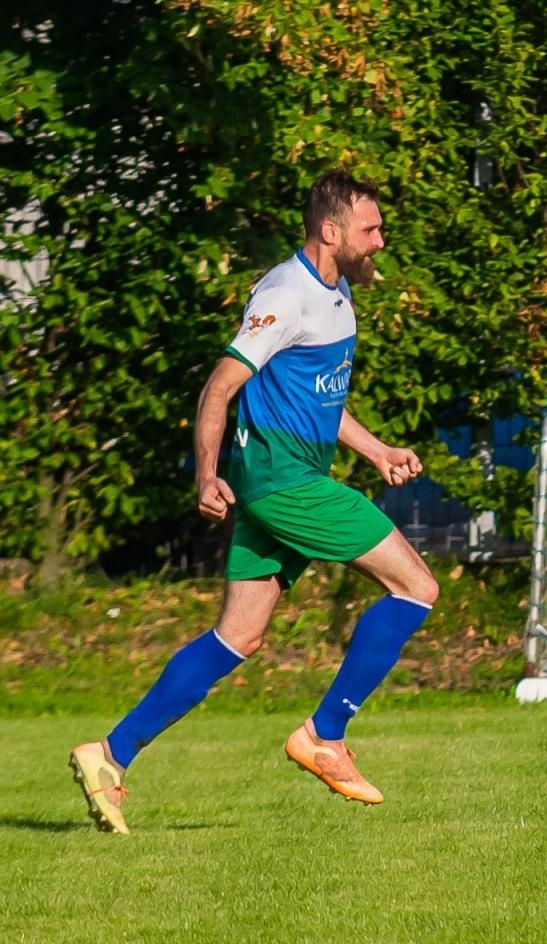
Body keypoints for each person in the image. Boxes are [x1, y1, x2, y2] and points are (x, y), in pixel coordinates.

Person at [69, 168, 439, 834]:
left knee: (238, 637)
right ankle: (325, 734)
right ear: (332, 232)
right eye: (371, 229)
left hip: (289, 479)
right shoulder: (285, 295)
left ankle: (108, 755)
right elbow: (219, 387)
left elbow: (319, 398)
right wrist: (208, 476)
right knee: (416, 587)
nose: (381, 240)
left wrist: (376, 450)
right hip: (283, 484)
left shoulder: (337, 294)